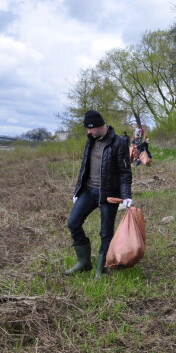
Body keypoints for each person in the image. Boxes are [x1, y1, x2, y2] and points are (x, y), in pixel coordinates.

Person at [65, 110, 132, 278]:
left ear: (100, 126)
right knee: (73, 222)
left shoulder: (119, 142)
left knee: (105, 233)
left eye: (90, 129)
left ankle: (100, 270)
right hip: (87, 191)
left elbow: (125, 172)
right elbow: (84, 167)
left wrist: (126, 196)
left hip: (108, 194)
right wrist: (77, 190)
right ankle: (84, 262)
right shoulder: (90, 140)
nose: (88, 132)